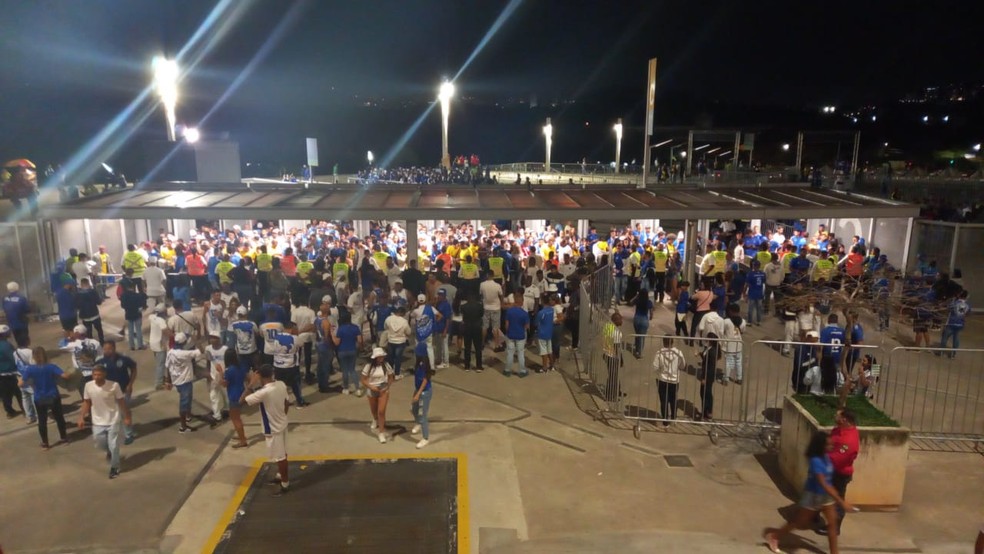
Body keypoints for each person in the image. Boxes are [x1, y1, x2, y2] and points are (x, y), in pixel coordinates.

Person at [764, 431, 854, 554]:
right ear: (821, 446)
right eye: (828, 445)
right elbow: (824, 484)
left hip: (826, 496)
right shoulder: (816, 461)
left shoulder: (826, 456)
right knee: (799, 522)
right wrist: (841, 502)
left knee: (833, 525)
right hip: (813, 496)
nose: (831, 446)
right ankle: (775, 536)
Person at [243, 364, 290, 496]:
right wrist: (282, 416)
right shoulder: (281, 384)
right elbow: (287, 402)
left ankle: (285, 484)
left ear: (260, 376)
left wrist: (251, 384)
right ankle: (281, 476)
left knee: (280, 457)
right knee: (283, 454)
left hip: (273, 429)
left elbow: (242, 400)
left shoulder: (263, 392)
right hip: (283, 424)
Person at [78, 365, 131, 479]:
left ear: (104, 375)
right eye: (94, 375)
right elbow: (87, 402)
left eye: (99, 375)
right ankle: (109, 451)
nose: (96, 377)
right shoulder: (88, 386)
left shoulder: (114, 385)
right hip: (98, 421)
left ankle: (114, 468)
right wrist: (81, 417)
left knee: (114, 445)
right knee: (100, 443)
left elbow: (121, 401)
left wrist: (126, 416)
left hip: (113, 420)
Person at [816, 408, 860, 536]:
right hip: (829, 469)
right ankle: (814, 514)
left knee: (837, 500)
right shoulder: (839, 430)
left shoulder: (849, 440)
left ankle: (834, 528)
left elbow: (838, 459)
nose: (835, 416)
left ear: (844, 419)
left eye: (838, 415)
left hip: (839, 474)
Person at [19, 347, 70, 449]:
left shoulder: (30, 369)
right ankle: (63, 438)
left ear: (33, 357)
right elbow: (65, 376)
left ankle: (45, 443)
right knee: (59, 417)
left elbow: (20, 384)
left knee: (42, 420)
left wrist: (24, 380)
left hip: (39, 397)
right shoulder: (51, 367)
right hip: (53, 395)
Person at [97, 341, 138, 444]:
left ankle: (129, 434)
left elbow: (133, 368)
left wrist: (130, 384)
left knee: (125, 412)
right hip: (108, 392)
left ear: (114, 348)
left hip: (124, 390)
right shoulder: (100, 361)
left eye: (109, 349)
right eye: (105, 349)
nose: (106, 351)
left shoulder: (123, 359)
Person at [164, 332, 204, 433]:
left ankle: (188, 416)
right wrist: (196, 340)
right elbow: (201, 351)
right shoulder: (185, 354)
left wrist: (168, 381)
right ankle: (183, 426)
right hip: (185, 381)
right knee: (184, 403)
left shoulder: (170, 352)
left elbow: (167, 367)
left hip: (176, 380)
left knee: (187, 400)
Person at [361, 347, 395, 443]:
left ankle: (381, 432)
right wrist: (371, 387)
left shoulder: (386, 365)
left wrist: (387, 386)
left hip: (383, 390)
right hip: (372, 390)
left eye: (382, 357)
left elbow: (391, 377)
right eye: (379, 357)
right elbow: (363, 380)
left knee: (381, 411)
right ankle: (375, 419)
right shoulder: (368, 366)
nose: (381, 359)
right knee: (374, 409)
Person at [61, 325, 102, 400]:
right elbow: (101, 357)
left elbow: (61, 345)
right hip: (95, 373)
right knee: (98, 396)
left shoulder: (73, 345)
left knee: (86, 398)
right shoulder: (95, 342)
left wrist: (67, 337)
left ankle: (91, 411)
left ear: (77, 333)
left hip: (81, 375)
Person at [221, 349, 249, 448]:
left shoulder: (229, 370)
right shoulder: (241, 367)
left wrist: (220, 372)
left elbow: (224, 384)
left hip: (233, 396)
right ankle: (241, 435)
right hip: (241, 393)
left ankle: (242, 440)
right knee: (238, 418)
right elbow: (247, 378)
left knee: (235, 419)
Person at [652, 337, 684, 425]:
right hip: (674, 380)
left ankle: (665, 421)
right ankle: (674, 417)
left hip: (662, 379)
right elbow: (682, 365)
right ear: (672, 342)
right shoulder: (678, 353)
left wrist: (661, 371)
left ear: (663, 342)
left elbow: (655, 367)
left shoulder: (659, 353)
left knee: (664, 401)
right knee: (673, 399)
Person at [331, 312, 363, 395]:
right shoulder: (355, 327)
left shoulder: (341, 329)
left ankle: (346, 388)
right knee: (352, 370)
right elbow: (359, 340)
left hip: (342, 351)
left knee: (345, 370)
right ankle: (358, 389)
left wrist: (332, 335)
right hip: (352, 350)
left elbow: (337, 343)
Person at [0, 325, 25, 418]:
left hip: (1, 375)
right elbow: (14, 358)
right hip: (11, 373)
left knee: (5, 394)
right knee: (19, 392)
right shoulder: (6, 345)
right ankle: (25, 409)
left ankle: (9, 412)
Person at [503, 295, 530, 377]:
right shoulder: (524, 314)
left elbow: (506, 325)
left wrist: (508, 332)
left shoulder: (509, 311)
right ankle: (522, 371)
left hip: (510, 335)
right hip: (520, 335)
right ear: (522, 303)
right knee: (520, 353)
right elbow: (527, 326)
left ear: (515, 301)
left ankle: (507, 370)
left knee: (510, 353)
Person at [410, 354, 434, 449]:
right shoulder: (418, 364)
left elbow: (424, 381)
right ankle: (418, 423)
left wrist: (418, 394)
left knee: (423, 415)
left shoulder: (425, 366)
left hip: (424, 392)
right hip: (418, 390)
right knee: (413, 409)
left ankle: (425, 438)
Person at [819, 314, 846, 394]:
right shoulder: (842, 331)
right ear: (837, 321)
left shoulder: (825, 330)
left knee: (825, 376)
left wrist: (820, 359)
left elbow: (821, 346)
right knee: (836, 377)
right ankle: (833, 393)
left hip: (827, 358)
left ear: (828, 320)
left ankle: (824, 392)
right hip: (837, 358)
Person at [939, 290, 969, 358]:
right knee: (956, 338)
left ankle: (941, 352)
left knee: (945, 337)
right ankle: (953, 354)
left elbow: (947, 309)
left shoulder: (954, 303)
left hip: (951, 323)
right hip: (960, 323)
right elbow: (967, 313)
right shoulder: (968, 305)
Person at [721, 303, 746, 385]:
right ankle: (739, 378)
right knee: (738, 362)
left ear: (731, 311)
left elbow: (721, 331)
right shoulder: (743, 321)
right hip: (738, 344)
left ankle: (726, 379)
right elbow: (742, 331)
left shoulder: (726, 321)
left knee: (729, 362)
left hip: (729, 345)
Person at [602, 311, 624, 402]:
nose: (622, 321)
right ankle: (610, 394)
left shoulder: (608, 326)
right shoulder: (616, 332)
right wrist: (621, 358)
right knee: (613, 376)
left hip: (606, 353)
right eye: (620, 319)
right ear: (616, 320)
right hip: (612, 355)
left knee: (614, 374)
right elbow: (616, 347)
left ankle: (617, 391)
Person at [698, 333, 720, 420]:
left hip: (708, 376)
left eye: (707, 339)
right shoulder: (709, 349)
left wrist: (704, 378)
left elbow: (710, 367)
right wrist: (700, 354)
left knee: (705, 394)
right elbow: (705, 357)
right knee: (704, 393)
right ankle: (707, 412)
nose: (706, 340)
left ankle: (706, 413)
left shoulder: (712, 352)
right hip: (706, 375)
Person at [460, 293, 484, 372]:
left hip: (467, 327)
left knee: (467, 348)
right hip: (477, 327)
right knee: (478, 348)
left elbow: (462, 316)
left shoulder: (463, 307)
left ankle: (467, 366)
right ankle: (479, 366)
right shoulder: (479, 306)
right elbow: (481, 314)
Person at [119, 282, 147, 350]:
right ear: (133, 287)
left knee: (130, 331)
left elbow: (122, 306)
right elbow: (141, 305)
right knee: (138, 330)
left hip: (128, 314)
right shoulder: (137, 295)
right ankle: (140, 345)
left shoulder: (123, 295)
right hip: (137, 314)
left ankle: (132, 346)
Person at [76, 278, 105, 344]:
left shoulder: (78, 294)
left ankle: (91, 345)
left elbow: (77, 306)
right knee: (99, 330)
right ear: (88, 284)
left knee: (88, 332)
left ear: (81, 285)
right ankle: (102, 343)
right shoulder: (93, 292)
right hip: (94, 314)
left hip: (85, 316)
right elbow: (99, 302)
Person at [148, 304, 170, 389]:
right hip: (159, 345)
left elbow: (152, 313)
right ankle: (159, 383)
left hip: (152, 343)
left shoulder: (152, 317)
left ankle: (161, 378)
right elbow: (165, 330)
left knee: (158, 362)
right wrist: (173, 335)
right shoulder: (161, 321)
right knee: (161, 364)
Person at [629, 290, 653, 358]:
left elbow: (630, 302)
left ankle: (637, 349)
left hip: (636, 319)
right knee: (642, 337)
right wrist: (650, 317)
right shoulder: (649, 302)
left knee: (637, 335)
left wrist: (636, 296)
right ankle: (639, 353)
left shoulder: (638, 301)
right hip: (644, 320)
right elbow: (651, 313)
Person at [535, 297, 556, 372]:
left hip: (542, 334)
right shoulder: (551, 310)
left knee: (544, 352)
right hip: (549, 332)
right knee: (550, 350)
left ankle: (544, 368)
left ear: (543, 302)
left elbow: (537, 323)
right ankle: (552, 366)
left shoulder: (541, 313)